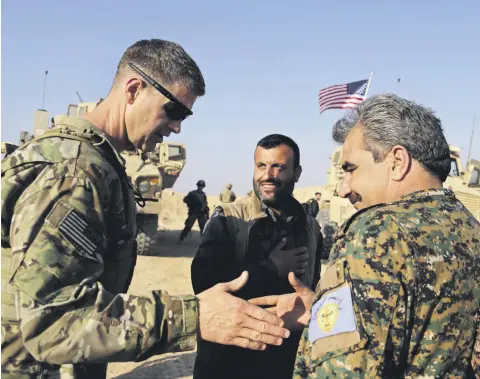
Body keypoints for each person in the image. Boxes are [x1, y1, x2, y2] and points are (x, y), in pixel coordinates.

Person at [1, 39, 289, 379]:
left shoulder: (96, 162)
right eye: (174, 111)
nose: (177, 127)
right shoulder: (77, 172)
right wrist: (195, 316)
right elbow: (52, 320)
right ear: (134, 89)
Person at [250, 94, 480, 378]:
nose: (345, 188)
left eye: (351, 169)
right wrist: (326, 309)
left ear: (397, 162)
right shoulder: (469, 228)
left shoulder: (375, 232)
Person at [191, 134, 324, 379]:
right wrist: (269, 267)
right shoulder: (230, 219)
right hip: (229, 361)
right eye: (261, 166)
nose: (267, 175)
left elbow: (314, 287)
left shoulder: (311, 228)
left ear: (296, 173)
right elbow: (203, 287)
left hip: (284, 360)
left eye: (278, 167)